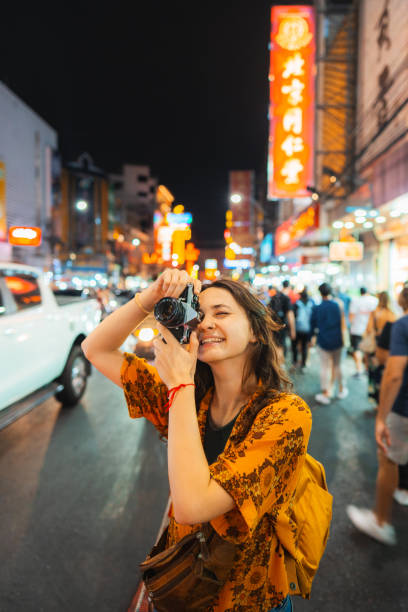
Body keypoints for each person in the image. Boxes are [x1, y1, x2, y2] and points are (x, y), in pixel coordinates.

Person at [82, 269, 312, 611]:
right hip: (185, 588)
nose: (205, 324)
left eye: (221, 313)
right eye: (199, 316)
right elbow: (96, 348)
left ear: (255, 332)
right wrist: (149, 297)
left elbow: (193, 506)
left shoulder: (286, 415)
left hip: (249, 599)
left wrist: (179, 385)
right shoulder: (193, 399)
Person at [346, 287, 408, 545]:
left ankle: (380, 521)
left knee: (388, 458)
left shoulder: (402, 325)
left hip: (403, 405)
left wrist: (381, 417)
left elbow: (393, 374)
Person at [310, 282, 348, 404]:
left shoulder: (317, 307)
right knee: (338, 365)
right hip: (338, 340)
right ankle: (341, 390)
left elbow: (313, 325)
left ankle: (326, 394)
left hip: (323, 340)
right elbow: (344, 322)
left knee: (324, 367)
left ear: (320, 293)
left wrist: (312, 338)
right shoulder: (338, 305)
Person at [349, 287, 377, 376]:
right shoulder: (374, 301)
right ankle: (367, 368)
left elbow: (351, 316)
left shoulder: (355, 301)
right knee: (368, 350)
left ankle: (359, 369)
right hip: (369, 330)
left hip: (357, 329)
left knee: (357, 350)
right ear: (367, 292)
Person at [268, 284, 295, 360]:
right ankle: (280, 366)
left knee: (275, 345)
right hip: (282, 326)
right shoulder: (286, 298)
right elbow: (290, 315)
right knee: (280, 346)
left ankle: (276, 364)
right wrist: (293, 330)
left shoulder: (273, 298)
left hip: (272, 326)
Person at [292, 288, 314, 370]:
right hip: (307, 330)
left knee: (295, 347)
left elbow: (292, 318)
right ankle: (303, 365)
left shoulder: (296, 304)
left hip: (297, 329)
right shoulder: (311, 304)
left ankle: (294, 362)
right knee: (304, 347)